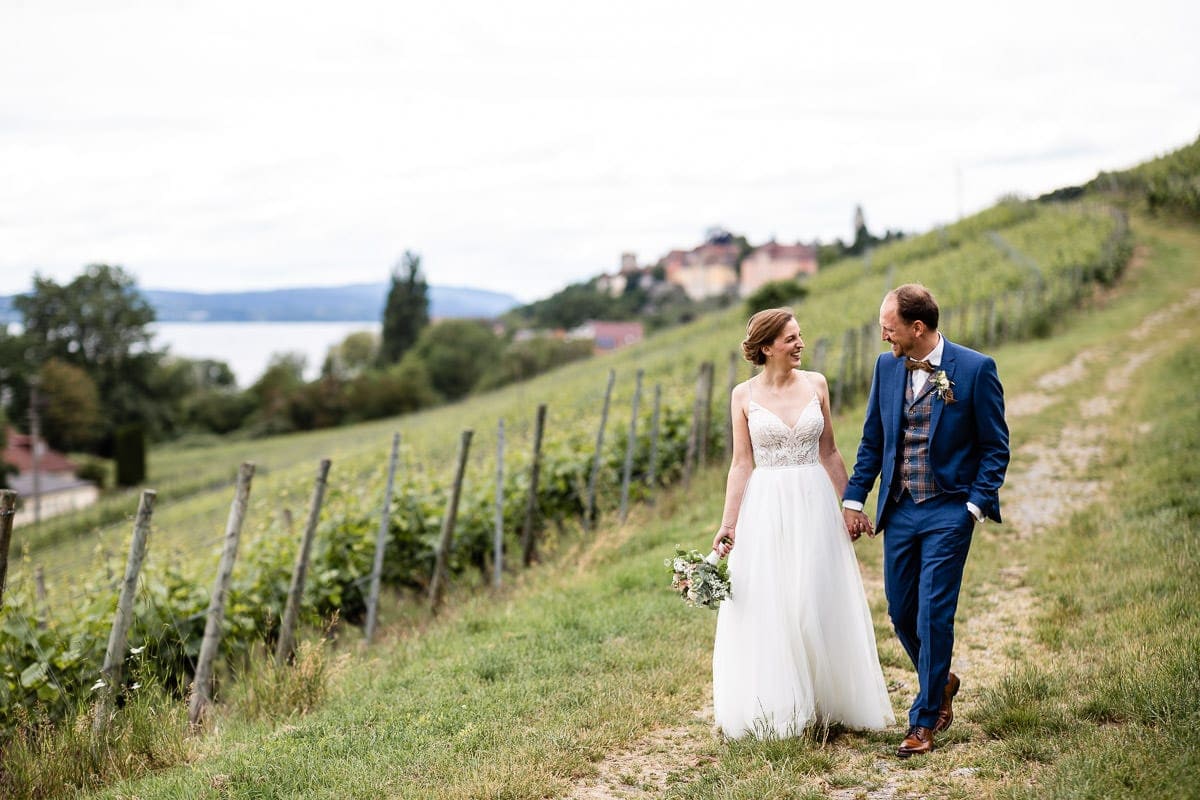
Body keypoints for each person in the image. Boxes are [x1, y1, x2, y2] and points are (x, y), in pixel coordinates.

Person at [710, 308, 894, 739]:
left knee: (815, 596)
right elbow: (741, 464)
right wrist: (728, 524)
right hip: (767, 505)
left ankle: (829, 701)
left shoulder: (816, 384)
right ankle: (781, 707)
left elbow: (829, 452)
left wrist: (852, 504)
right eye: (791, 339)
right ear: (767, 346)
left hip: (814, 502)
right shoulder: (743, 395)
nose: (800, 345)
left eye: (800, 337)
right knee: (774, 602)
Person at [842, 284, 1010, 757]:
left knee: (934, 611)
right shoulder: (886, 367)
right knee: (900, 610)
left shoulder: (975, 370)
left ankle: (922, 721)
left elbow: (996, 446)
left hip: (948, 509)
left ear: (917, 328)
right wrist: (855, 498)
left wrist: (974, 507)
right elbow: (873, 440)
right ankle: (942, 681)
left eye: (888, 328)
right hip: (899, 509)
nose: (883, 337)